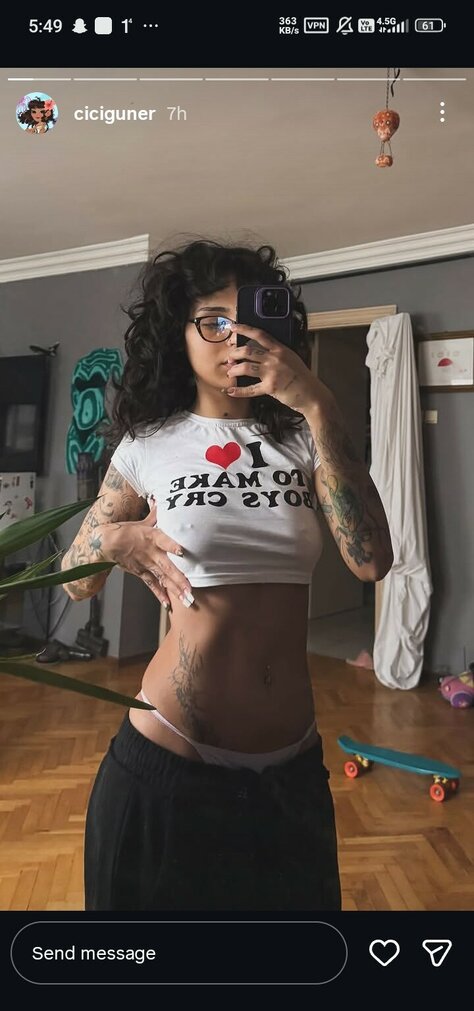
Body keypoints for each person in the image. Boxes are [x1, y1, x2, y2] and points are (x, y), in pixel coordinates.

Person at [61, 239, 393, 911]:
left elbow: (371, 559)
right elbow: (74, 579)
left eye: (251, 318)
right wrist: (116, 538)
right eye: (212, 321)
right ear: (178, 336)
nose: (235, 337)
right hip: (169, 762)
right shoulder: (149, 443)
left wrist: (319, 405)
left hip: (290, 773)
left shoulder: (304, 437)